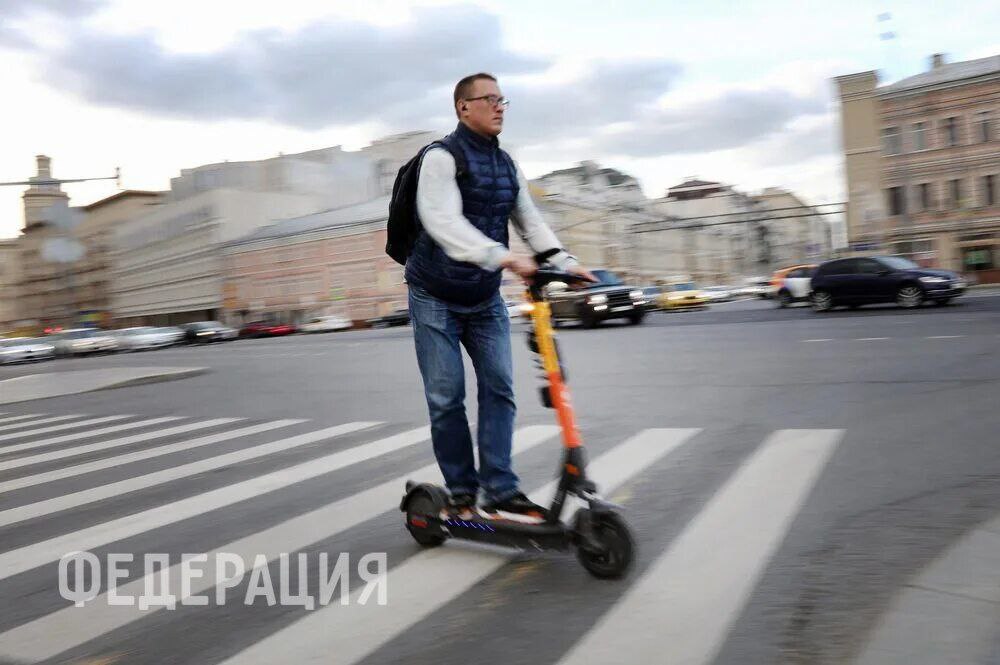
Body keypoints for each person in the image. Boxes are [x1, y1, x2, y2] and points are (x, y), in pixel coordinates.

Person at [405, 72, 594, 517]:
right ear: (463, 107)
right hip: (435, 293)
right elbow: (443, 222)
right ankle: (461, 492)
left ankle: (500, 489)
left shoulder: (507, 164)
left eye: (502, 99)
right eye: (488, 99)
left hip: (484, 295)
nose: (499, 106)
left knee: (499, 388)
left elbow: (529, 219)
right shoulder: (441, 158)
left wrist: (565, 262)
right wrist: (503, 257)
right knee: (446, 397)